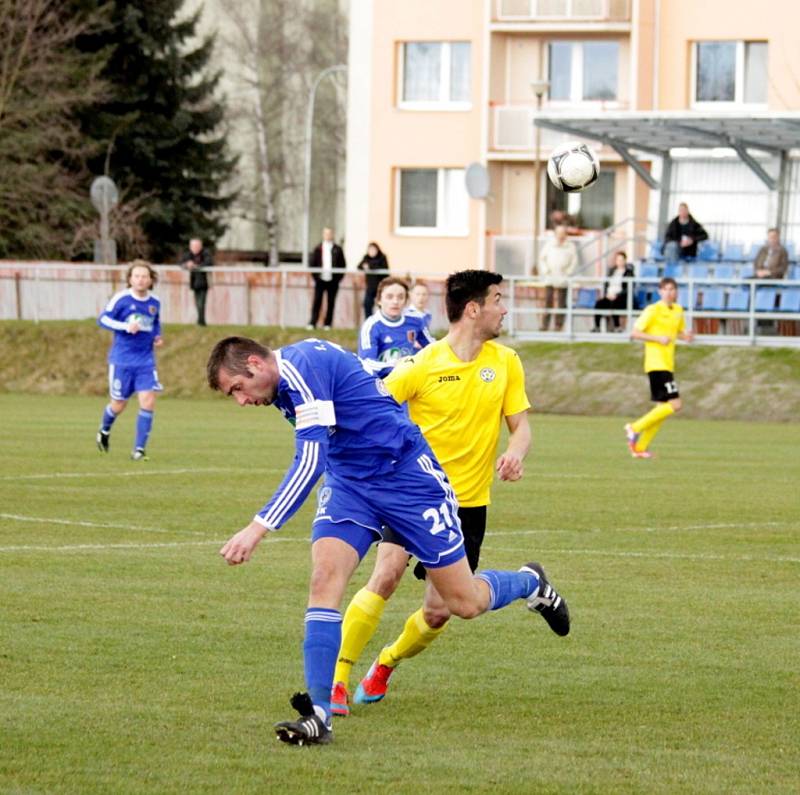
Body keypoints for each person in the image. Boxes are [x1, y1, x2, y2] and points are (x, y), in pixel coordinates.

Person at [208, 335, 570, 746]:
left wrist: (258, 528)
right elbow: (370, 376)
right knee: (324, 578)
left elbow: (310, 461)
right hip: (351, 485)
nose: (240, 401)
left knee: (463, 603)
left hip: (409, 481)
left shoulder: (303, 368)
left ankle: (529, 582)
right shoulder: (284, 383)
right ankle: (321, 714)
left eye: (237, 388)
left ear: (255, 363)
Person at [331, 270, 539, 718]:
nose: (505, 309)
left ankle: (385, 664)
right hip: (411, 495)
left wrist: (515, 453)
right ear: (473, 309)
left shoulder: (506, 362)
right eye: (498, 300)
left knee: (441, 611)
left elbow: (520, 426)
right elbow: (374, 405)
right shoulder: (423, 363)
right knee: (384, 576)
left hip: (468, 504)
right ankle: (338, 679)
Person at [95, 260, 163, 460]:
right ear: (130, 279)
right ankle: (104, 430)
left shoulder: (154, 302)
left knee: (148, 401)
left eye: (144, 276)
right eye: (137, 276)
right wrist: (125, 326)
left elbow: (155, 323)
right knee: (118, 404)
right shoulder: (121, 299)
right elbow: (103, 319)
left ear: (151, 280)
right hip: (122, 360)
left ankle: (139, 450)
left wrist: (157, 336)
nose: (141, 280)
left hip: (145, 360)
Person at [624, 277, 694, 459]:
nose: (670, 293)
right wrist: (657, 339)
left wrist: (685, 336)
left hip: (668, 363)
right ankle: (634, 427)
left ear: (676, 292)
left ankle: (640, 447)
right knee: (676, 404)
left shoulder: (678, 310)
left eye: (673, 289)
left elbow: (677, 332)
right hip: (656, 364)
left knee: (661, 409)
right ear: (660, 292)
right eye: (666, 289)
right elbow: (635, 333)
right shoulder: (653, 310)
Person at [358, 277, 434, 378]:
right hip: (382, 383)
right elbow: (366, 363)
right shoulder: (371, 326)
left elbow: (433, 347)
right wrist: (395, 365)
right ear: (379, 300)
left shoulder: (416, 320)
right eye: (389, 297)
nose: (395, 301)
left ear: (406, 301)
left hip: (410, 378)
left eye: (400, 297)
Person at [537, 224, 578, 331]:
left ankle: (558, 326)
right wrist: (546, 270)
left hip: (563, 279)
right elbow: (542, 258)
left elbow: (574, 261)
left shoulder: (571, 246)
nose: (561, 235)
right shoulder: (549, 244)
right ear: (555, 234)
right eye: (559, 233)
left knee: (561, 303)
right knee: (548, 302)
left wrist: (568, 272)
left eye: (563, 233)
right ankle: (545, 325)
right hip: (550, 278)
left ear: (566, 234)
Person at [307, 227, 346, 330]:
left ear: (332, 235)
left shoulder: (337, 249)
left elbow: (342, 265)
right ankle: (312, 322)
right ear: (323, 234)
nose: (328, 235)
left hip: (333, 281)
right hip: (320, 280)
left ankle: (327, 324)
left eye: (330, 233)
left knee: (331, 302)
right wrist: (316, 277)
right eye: (326, 233)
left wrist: (338, 278)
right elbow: (312, 264)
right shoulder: (318, 248)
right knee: (317, 301)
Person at [593, 251, 634, 332]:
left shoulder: (629, 273)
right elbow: (606, 285)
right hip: (609, 296)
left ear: (625, 260)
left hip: (621, 297)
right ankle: (597, 326)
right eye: (618, 260)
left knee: (615, 303)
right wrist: (607, 294)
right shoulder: (611, 271)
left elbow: (629, 288)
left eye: (622, 260)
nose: (620, 262)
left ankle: (617, 326)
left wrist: (617, 295)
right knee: (599, 303)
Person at [180, 238, 213, 326]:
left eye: (196, 246)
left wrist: (196, 266)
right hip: (194, 282)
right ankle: (200, 321)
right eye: (192, 246)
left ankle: (201, 322)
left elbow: (209, 262)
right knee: (197, 303)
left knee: (201, 303)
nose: (194, 248)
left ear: (200, 246)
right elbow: (181, 263)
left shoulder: (205, 253)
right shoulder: (188, 255)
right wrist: (187, 265)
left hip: (204, 282)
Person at [357, 242, 388, 320]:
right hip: (370, 286)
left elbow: (384, 268)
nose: (371, 251)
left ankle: (384, 320)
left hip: (381, 286)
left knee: (382, 305)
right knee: (367, 304)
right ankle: (369, 320)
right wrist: (366, 266)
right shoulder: (366, 257)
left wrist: (369, 266)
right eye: (370, 250)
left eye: (373, 249)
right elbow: (359, 266)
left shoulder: (382, 257)